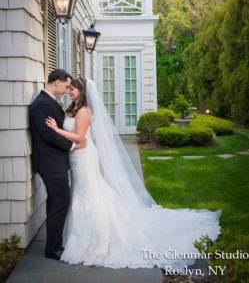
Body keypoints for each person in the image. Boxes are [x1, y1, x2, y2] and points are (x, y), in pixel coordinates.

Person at [45, 77, 221, 269]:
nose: (70, 91)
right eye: (69, 88)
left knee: (88, 193)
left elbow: (79, 137)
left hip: (84, 157)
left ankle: (92, 236)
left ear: (83, 91)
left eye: (74, 89)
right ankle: (78, 234)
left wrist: (56, 130)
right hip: (76, 156)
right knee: (82, 192)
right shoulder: (73, 108)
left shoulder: (85, 111)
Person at [29, 69, 86, 261]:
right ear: (57, 83)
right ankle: (53, 249)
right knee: (61, 201)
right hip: (50, 163)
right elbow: (48, 134)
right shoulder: (41, 105)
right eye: (66, 86)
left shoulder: (49, 102)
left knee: (57, 202)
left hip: (56, 162)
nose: (67, 90)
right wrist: (73, 145)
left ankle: (53, 245)